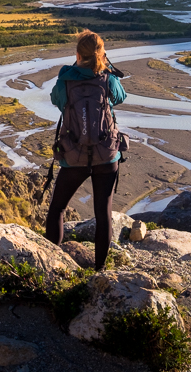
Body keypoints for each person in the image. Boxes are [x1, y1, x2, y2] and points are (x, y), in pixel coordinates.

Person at [44, 29, 127, 270]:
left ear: (78, 54)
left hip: (73, 155)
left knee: (58, 208)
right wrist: (104, 67)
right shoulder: (108, 78)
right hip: (106, 156)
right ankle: (99, 271)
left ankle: (52, 266)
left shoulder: (66, 79)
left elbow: (55, 100)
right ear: (101, 54)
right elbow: (121, 97)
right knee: (103, 214)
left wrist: (75, 69)